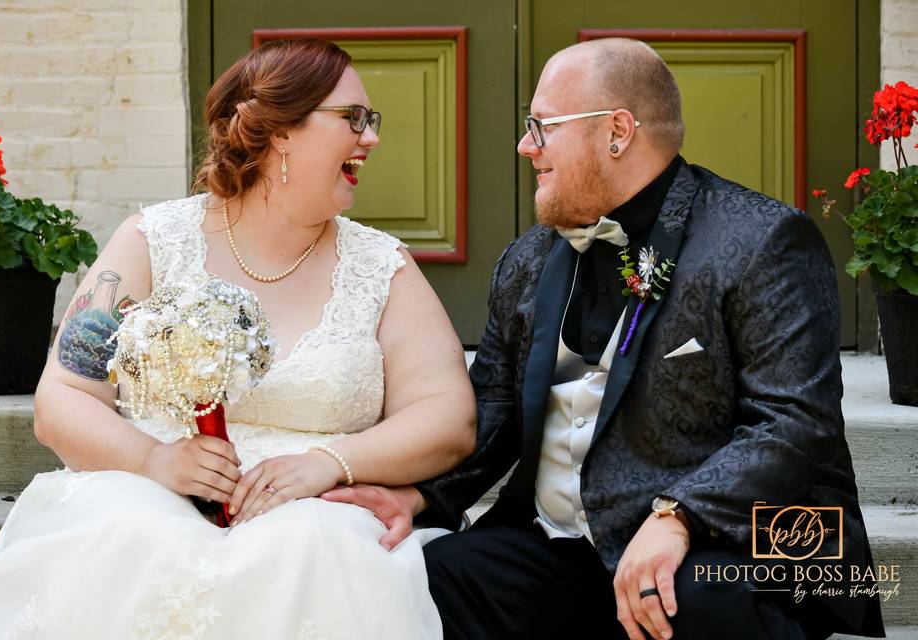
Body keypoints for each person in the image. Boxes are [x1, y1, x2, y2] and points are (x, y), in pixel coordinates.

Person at [323, 38, 886, 639]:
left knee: (687, 597)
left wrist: (680, 517)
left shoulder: (764, 242)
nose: (524, 146)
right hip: (559, 543)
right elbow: (491, 408)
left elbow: (796, 423)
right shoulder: (527, 259)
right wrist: (420, 496)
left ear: (618, 131)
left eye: (541, 127)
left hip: (738, 539)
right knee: (428, 579)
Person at [0, 38, 475, 639]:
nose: (371, 137)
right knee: (131, 542)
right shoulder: (153, 242)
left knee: (307, 551)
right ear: (281, 131)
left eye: (371, 120)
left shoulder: (380, 267)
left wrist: (330, 463)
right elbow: (63, 399)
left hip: (314, 527)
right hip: (147, 502)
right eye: (353, 118)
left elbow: (448, 417)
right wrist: (154, 461)